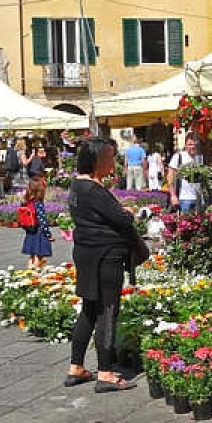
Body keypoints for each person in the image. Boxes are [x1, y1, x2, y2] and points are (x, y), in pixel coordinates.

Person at [66, 136, 140, 393]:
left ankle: (76, 367)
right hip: (105, 255)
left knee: (89, 309)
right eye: (109, 157)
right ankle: (106, 373)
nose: (113, 162)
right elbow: (121, 219)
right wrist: (128, 213)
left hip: (87, 253)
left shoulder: (77, 186)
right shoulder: (93, 190)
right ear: (96, 161)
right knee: (108, 312)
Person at [22, 177, 54, 269]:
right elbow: (43, 221)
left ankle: (29, 271)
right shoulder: (38, 203)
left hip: (30, 232)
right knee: (38, 256)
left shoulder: (27, 202)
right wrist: (48, 235)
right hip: (39, 233)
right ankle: (34, 274)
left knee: (32, 255)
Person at [167, 133, 202, 212]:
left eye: (195, 144)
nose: (193, 147)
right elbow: (170, 177)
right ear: (185, 145)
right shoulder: (179, 156)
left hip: (198, 199)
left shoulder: (199, 158)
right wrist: (173, 195)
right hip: (183, 198)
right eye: (190, 144)